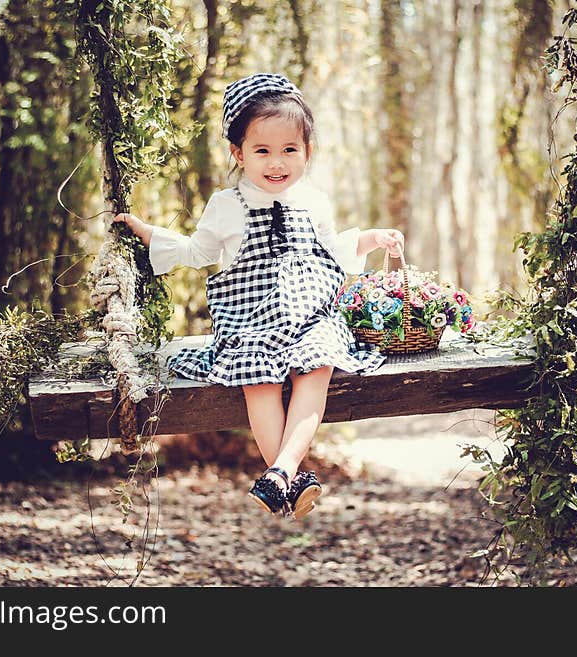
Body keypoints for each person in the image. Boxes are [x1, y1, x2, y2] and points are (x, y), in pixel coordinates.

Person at [114, 73, 404, 520]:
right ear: (238, 153)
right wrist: (147, 232)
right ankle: (291, 478)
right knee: (259, 380)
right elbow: (196, 251)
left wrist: (369, 239)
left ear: (307, 151)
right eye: (262, 151)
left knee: (318, 365)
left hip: (311, 317)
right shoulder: (225, 205)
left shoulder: (314, 200)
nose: (277, 163)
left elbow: (332, 249)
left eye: (290, 150)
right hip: (250, 321)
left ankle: (281, 472)